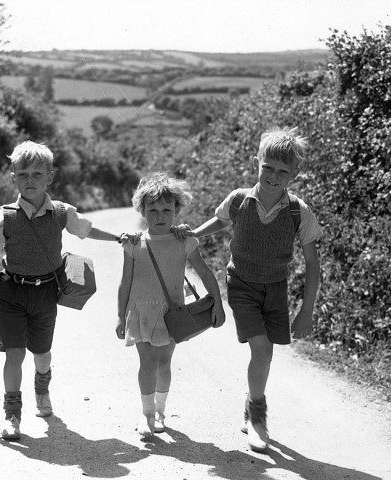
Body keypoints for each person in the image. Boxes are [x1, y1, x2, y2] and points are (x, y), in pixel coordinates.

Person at [173, 127, 322, 452]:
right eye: (268, 167)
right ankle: (257, 417)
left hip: (276, 288)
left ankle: (251, 401)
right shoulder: (239, 199)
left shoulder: (299, 211)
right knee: (262, 350)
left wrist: (306, 310)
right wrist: (191, 235)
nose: (273, 176)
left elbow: (313, 264)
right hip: (241, 284)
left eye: (283, 171)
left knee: (264, 353)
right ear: (258, 161)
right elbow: (219, 222)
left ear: (294, 174)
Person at [0, 141, 127, 441]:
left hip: (45, 295)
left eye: (37, 174)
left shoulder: (62, 213)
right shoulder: (1, 218)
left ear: (50, 178)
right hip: (12, 293)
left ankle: (42, 389)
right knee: (13, 354)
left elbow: (87, 230)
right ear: (13, 177)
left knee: (41, 353)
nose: (30, 180)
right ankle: (12, 414)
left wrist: (119, 238)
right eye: (23, 174)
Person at [116, 172, 226, 437]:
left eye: (167, 209)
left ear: (177, 210)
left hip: (170, 313)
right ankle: (147, 415)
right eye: (152, 210)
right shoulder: (134, 243)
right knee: (147, 362)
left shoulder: (184, 241)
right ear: (142, 210)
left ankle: (161, 410)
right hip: (140, 312)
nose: (160, 215)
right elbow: (125, 282)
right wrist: (120, 316)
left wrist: (218, 304)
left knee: (164, 363)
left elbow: (206, 273)